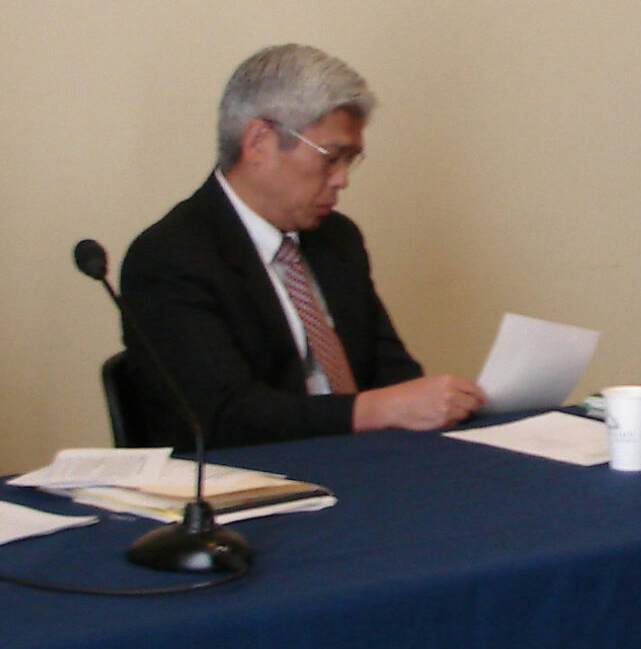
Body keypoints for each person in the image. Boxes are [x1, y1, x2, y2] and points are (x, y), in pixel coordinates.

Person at [118, 44, 484, 450]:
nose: (342, 180)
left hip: (364, 465)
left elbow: (391, 372)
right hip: (254, 485)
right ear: (258, 142)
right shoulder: (171, 257)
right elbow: (223, 417)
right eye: (332, 158)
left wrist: (441, 403)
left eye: (351, 160)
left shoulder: (337, 238)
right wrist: (372, 410)